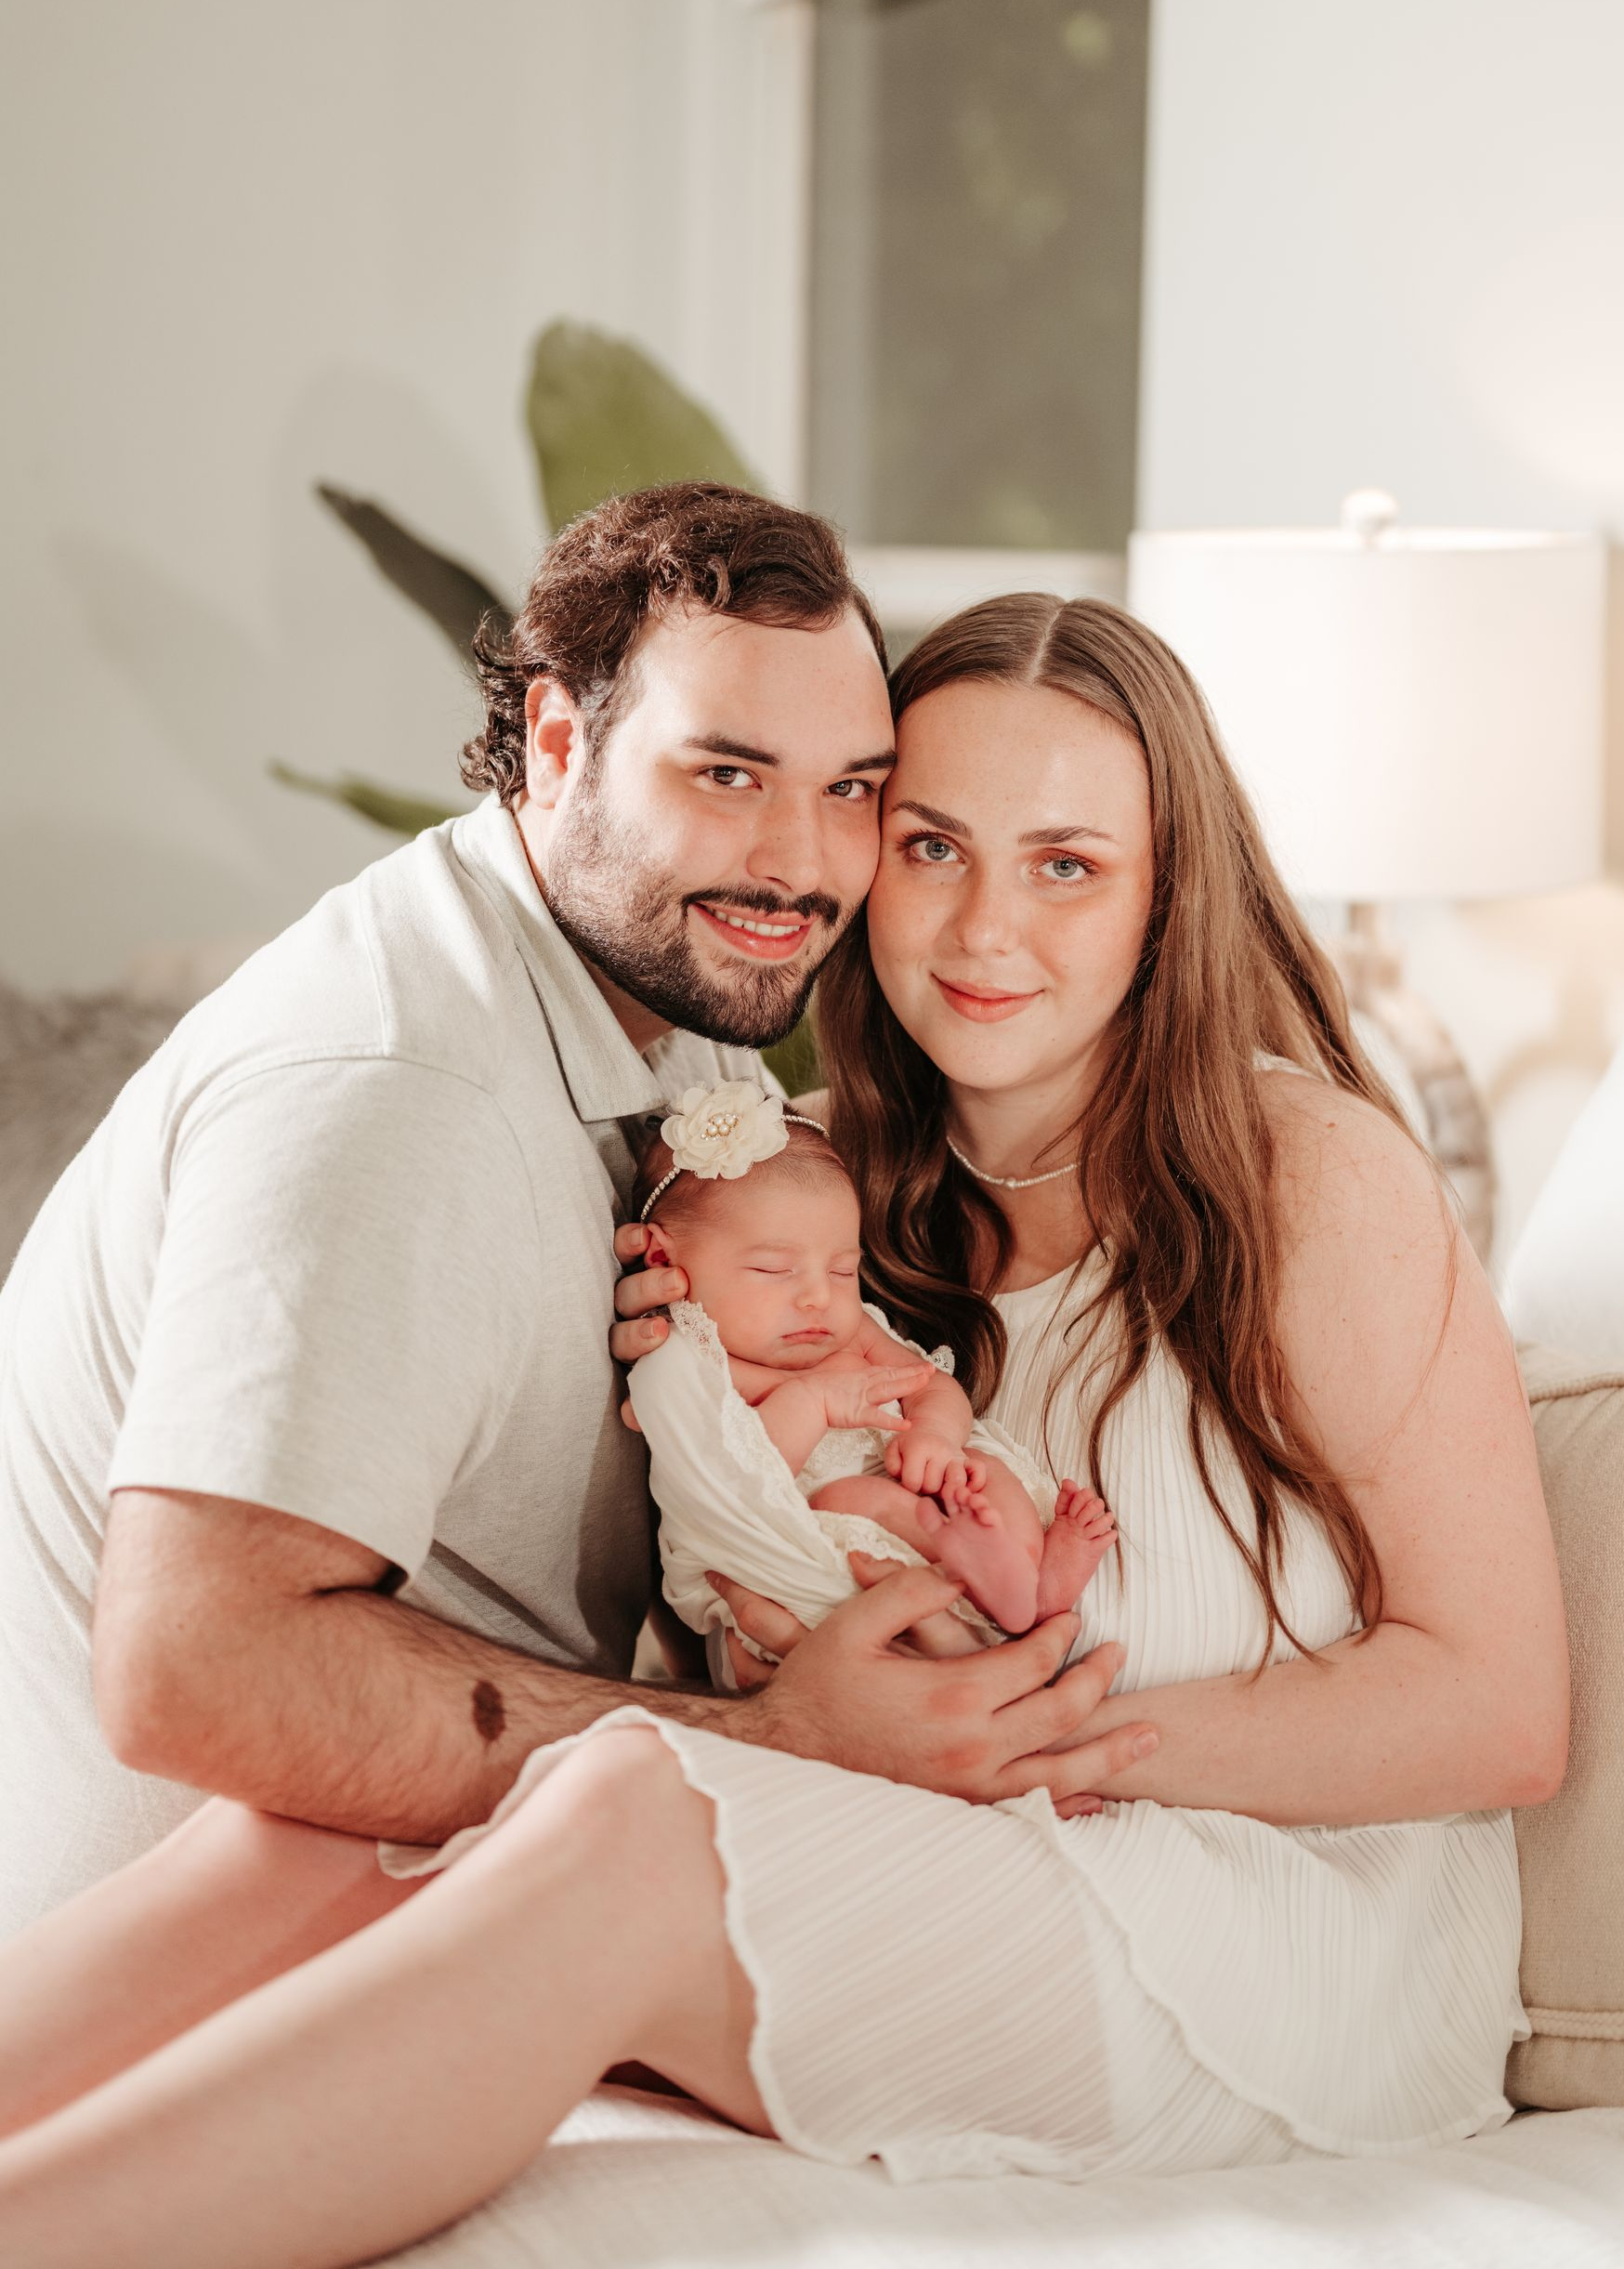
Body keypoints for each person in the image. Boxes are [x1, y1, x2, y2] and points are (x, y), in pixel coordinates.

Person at [0, 593, 1565, 2264]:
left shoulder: (1305, 1174)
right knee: (340, 1813)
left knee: (619, 1817)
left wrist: (998, 1744)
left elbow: (1494, 1709)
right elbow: (726, 1596)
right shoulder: (779, 1191)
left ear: (1164, 895)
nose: (980, 931)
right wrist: (702, 1430)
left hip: (1270, 1941)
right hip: (949, 1845)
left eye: (1064, 865)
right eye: (931, 845)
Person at [0, 485, 1133, 1943]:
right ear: (553, 740)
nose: (799, 861)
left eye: (851, 787)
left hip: (465, 1874)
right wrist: (784, 1747)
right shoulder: (393, 1094)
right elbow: (192, 1672)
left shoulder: (689, 1003)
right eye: (727, 774)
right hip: (204, 1956)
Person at [622, 1082, 1118, 1640]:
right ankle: (971, 1561)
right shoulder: (685, 1361)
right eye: (773, 1270)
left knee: (984, 1469)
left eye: (841, 1270)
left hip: (923, 1483)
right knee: (847, 1497)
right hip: (824, 1529)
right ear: (665, 1257)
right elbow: (739, 1486)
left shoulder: (849, 1328)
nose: (818, 1297)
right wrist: (810, 1399)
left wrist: (935, 1436)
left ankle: (1031, 1582)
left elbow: (927, 1383)